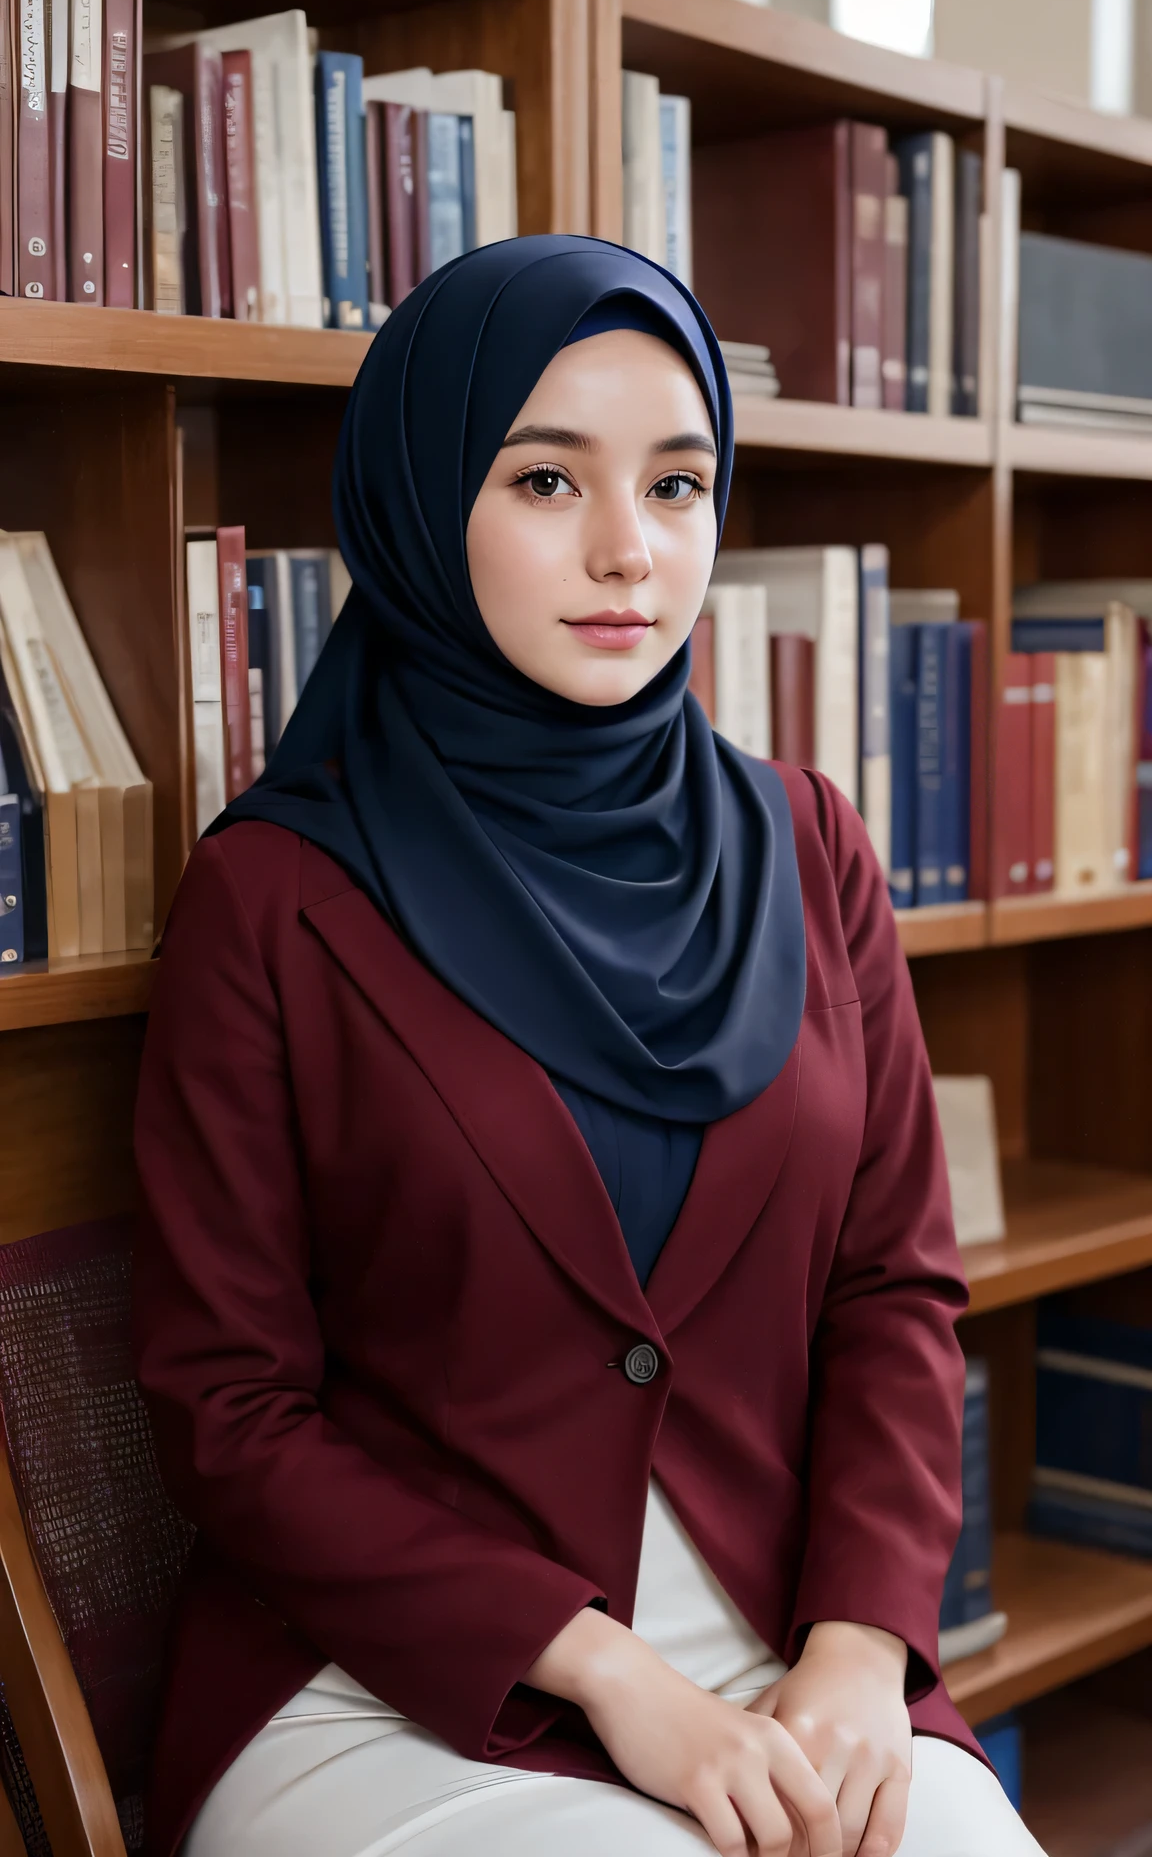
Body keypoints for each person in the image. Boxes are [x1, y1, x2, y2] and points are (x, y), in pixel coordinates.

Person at [133, 235, 1046, 1857]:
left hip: (791, 1651)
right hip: (398, 1685)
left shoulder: (813, 846)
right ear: (423, 503)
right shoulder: (270, 898)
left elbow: (894, 1290)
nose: (632, 552)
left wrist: (853, 1646)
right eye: (550, 483)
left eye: (678, 486)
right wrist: (611, 1674)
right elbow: (233, 1412)